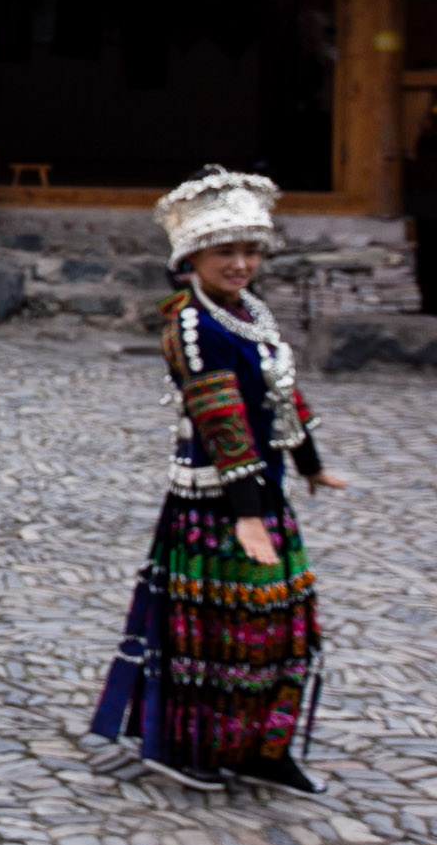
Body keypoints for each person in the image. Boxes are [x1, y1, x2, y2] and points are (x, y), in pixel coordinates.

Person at [91, 168, 345, 794]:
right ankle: (188, 743)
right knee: (213, 633)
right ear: (192, 257)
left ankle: (263, 745)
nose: (241, 263)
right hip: (217, 500)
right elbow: (221, 419)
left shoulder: (251, 314)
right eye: (225, 251)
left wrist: (309, 463)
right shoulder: (190, 326)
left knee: (280, 627)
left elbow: (283, 393)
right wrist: (248, 512)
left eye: (251, 250)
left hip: (265, 493)